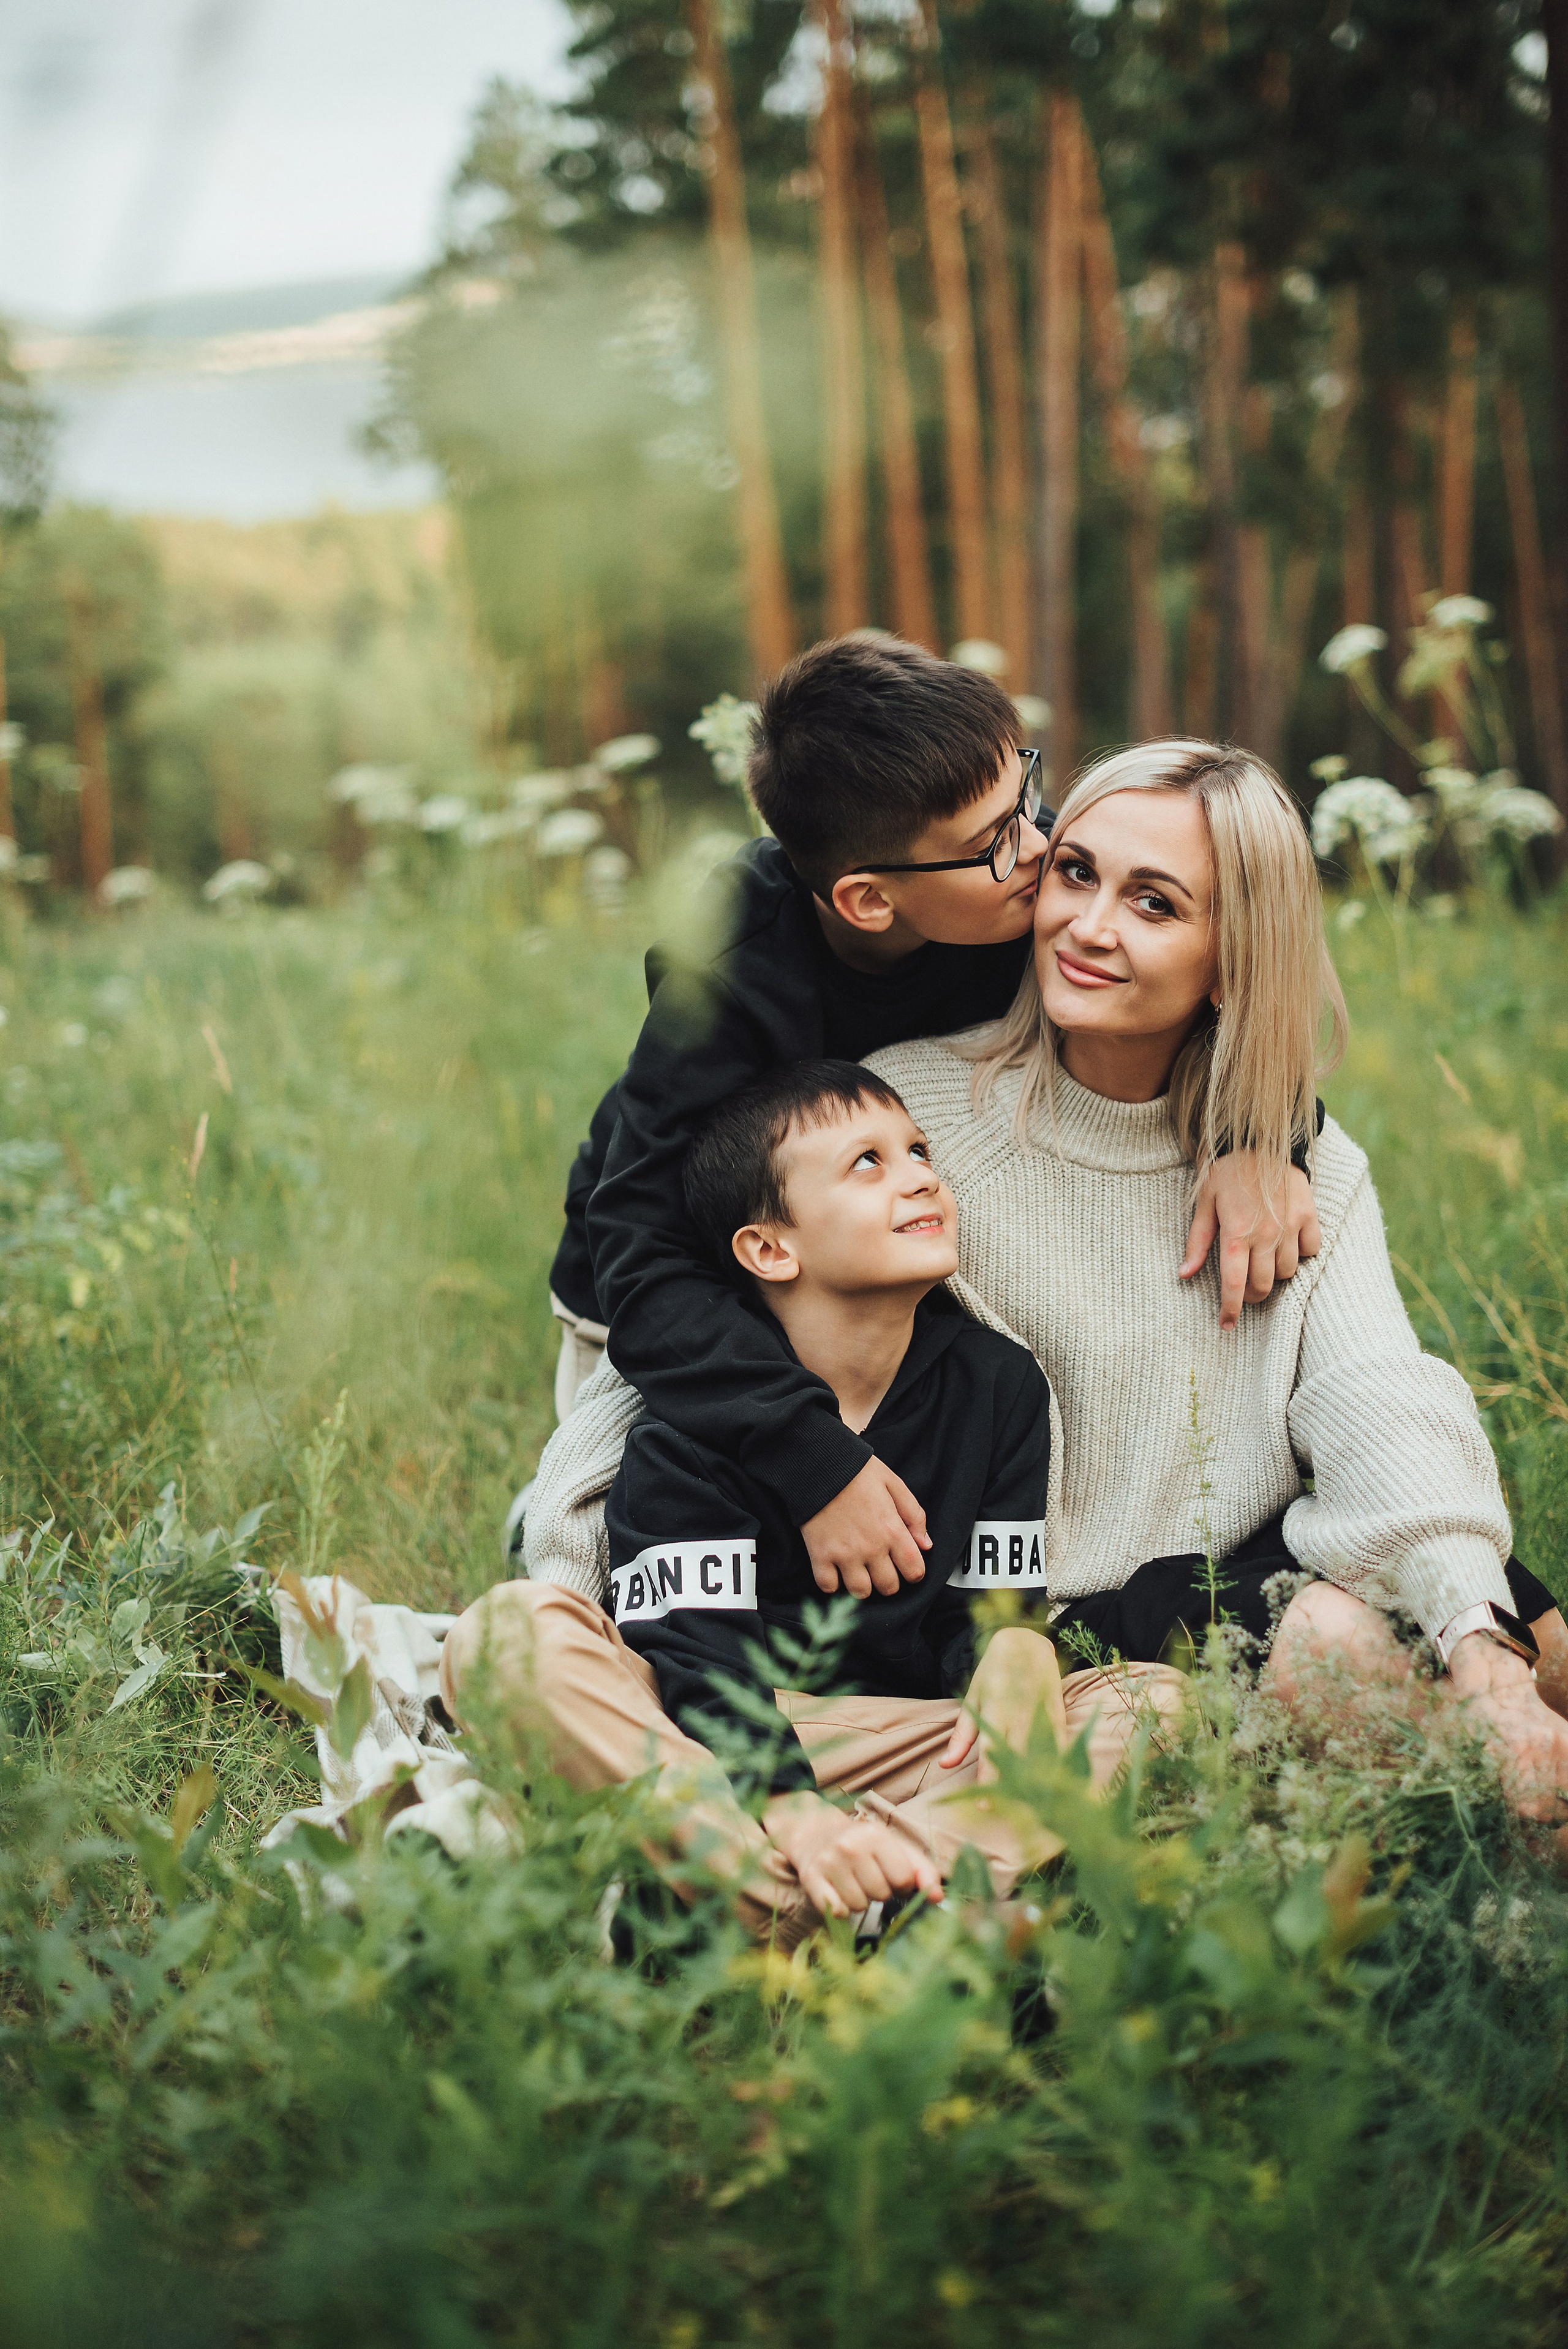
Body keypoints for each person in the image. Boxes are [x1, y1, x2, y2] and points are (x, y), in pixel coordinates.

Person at [519, 737, 1568, 1856]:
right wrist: (581, 1599)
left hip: (1204, 1592)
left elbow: (1375, 1395)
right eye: (1075, 873)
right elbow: (691, 1340)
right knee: (1339, 1648)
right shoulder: (913, 1121)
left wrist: (1477, 1640)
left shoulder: (1294, 1174)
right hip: (1012, 1627)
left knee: (1524, 1632)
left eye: (1154, 904)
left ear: (1234, 961)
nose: (1086, 925)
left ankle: (1490, 1827)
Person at [524, 636, 1320, 1612]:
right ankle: (549, 1533)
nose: (1041, 852)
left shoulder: (1019, 872)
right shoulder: (730, 977)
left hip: (870, 1234)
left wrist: (1259, 1137)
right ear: (867, 899)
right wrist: (812, 1461)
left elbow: (1200, 981)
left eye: (1028, 797)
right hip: (675, 1258)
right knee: (670, 1527)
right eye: (999, 840)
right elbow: (645, 1260)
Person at [443, 1062, 1182, 1945]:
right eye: (866, 1163)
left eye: (918, 1150)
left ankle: (903, 1886)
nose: (917, 1175)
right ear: (770, 1248)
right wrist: (792, 1807)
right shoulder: (704, 1418)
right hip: (707, 1736)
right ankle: (811, 1906)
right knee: (502, 1641)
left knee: (1151, 1703)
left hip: (903, 1745)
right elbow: (694, 1651)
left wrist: (1014, 1648)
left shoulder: (998, 1385)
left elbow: (981, 1610)